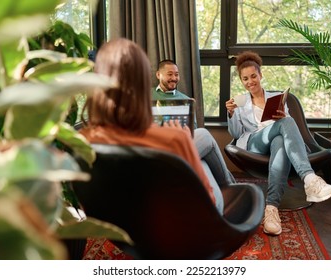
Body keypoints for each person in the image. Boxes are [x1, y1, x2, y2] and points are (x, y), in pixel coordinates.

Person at [78, 38, 223, 213]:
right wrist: (183, 140)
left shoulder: (84, 140)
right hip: (178, 223)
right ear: (145, 80)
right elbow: (209, 203)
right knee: (203, 153)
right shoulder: (174, 139)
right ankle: (230, 186)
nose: (174, 78)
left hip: (126, 225)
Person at [225, 50, 331, 236]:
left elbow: (287, 126)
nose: (250, 82)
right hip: (256, 143)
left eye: (253, 76)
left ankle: (271, 209)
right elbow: (236, 133)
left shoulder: (276, 97)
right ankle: (310, 179)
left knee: (280, 138)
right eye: (245, 79)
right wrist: (231, 114)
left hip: (279, 142)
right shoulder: (239, 103)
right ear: (242, 81)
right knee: (285, 123)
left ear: (260, 75)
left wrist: (283, 116)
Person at [153, 59, 237, 188]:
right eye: (170, 74)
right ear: (159, 75)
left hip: (181, 143)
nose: (174, 78)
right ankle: (231, 186)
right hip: (159, 147)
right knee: (204, 137)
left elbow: (194, 130)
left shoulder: (185, 99)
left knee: (203, 157)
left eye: (177, 74)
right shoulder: (146, 95)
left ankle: (229, 189)